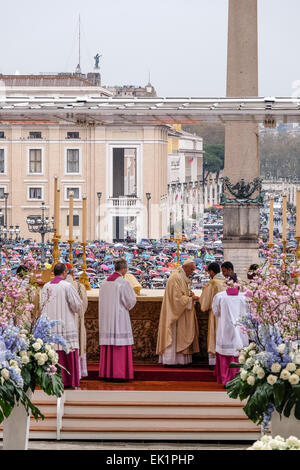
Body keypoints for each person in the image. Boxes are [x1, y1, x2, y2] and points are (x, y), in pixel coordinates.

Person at [40, 262, 83, 388]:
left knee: (52, 351)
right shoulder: (67, 286)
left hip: (50, 327)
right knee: (66, 350)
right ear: (64, 272)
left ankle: (52, 381)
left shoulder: (46, 286)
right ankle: (68, 381)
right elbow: (77, 305)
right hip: (66, 325)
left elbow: (41, 306)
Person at [98, 258, 136, 380]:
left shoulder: (104, 282)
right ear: (124, 269)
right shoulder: (123, 283)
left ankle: (107, 373)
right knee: (119, 343)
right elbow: (130, 301)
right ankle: (120, 373)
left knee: (109, 343)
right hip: (119, 318)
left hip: (106, 319)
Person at [156, 259, 199, 366]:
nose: (193, 271)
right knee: (173, 336)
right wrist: (190, 299)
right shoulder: (176, 278)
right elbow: (176, 299)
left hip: (180, 313)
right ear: (185, 267)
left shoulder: (182, 277)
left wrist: (189, 295)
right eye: (192, 269)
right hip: (174, 314)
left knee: (180, 335)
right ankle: (171, 360)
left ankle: (180, 360)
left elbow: (181, 294)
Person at [212, 287, 249, 385]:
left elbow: (216, 312)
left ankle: (226, 380)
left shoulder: (220, 296)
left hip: (225, 329)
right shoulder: (244, 297)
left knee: (226, 353)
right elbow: (249, 313)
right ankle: (241, 378)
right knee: (240, 352)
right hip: (241, 330)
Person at [199, 262, 226, 368]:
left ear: (211, 271)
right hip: (226, 316)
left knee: (214, 336)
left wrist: (199, 300)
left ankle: (214, 362)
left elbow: (204, 303)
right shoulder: (227, 282)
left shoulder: (212, 283)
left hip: (215, 315)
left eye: (209, 272)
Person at [65, 263, 88, 379]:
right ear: (72, 273)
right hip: (75, 320)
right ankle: (77, 373)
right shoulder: (79, 286)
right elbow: (84, 306)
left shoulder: (53, 286)